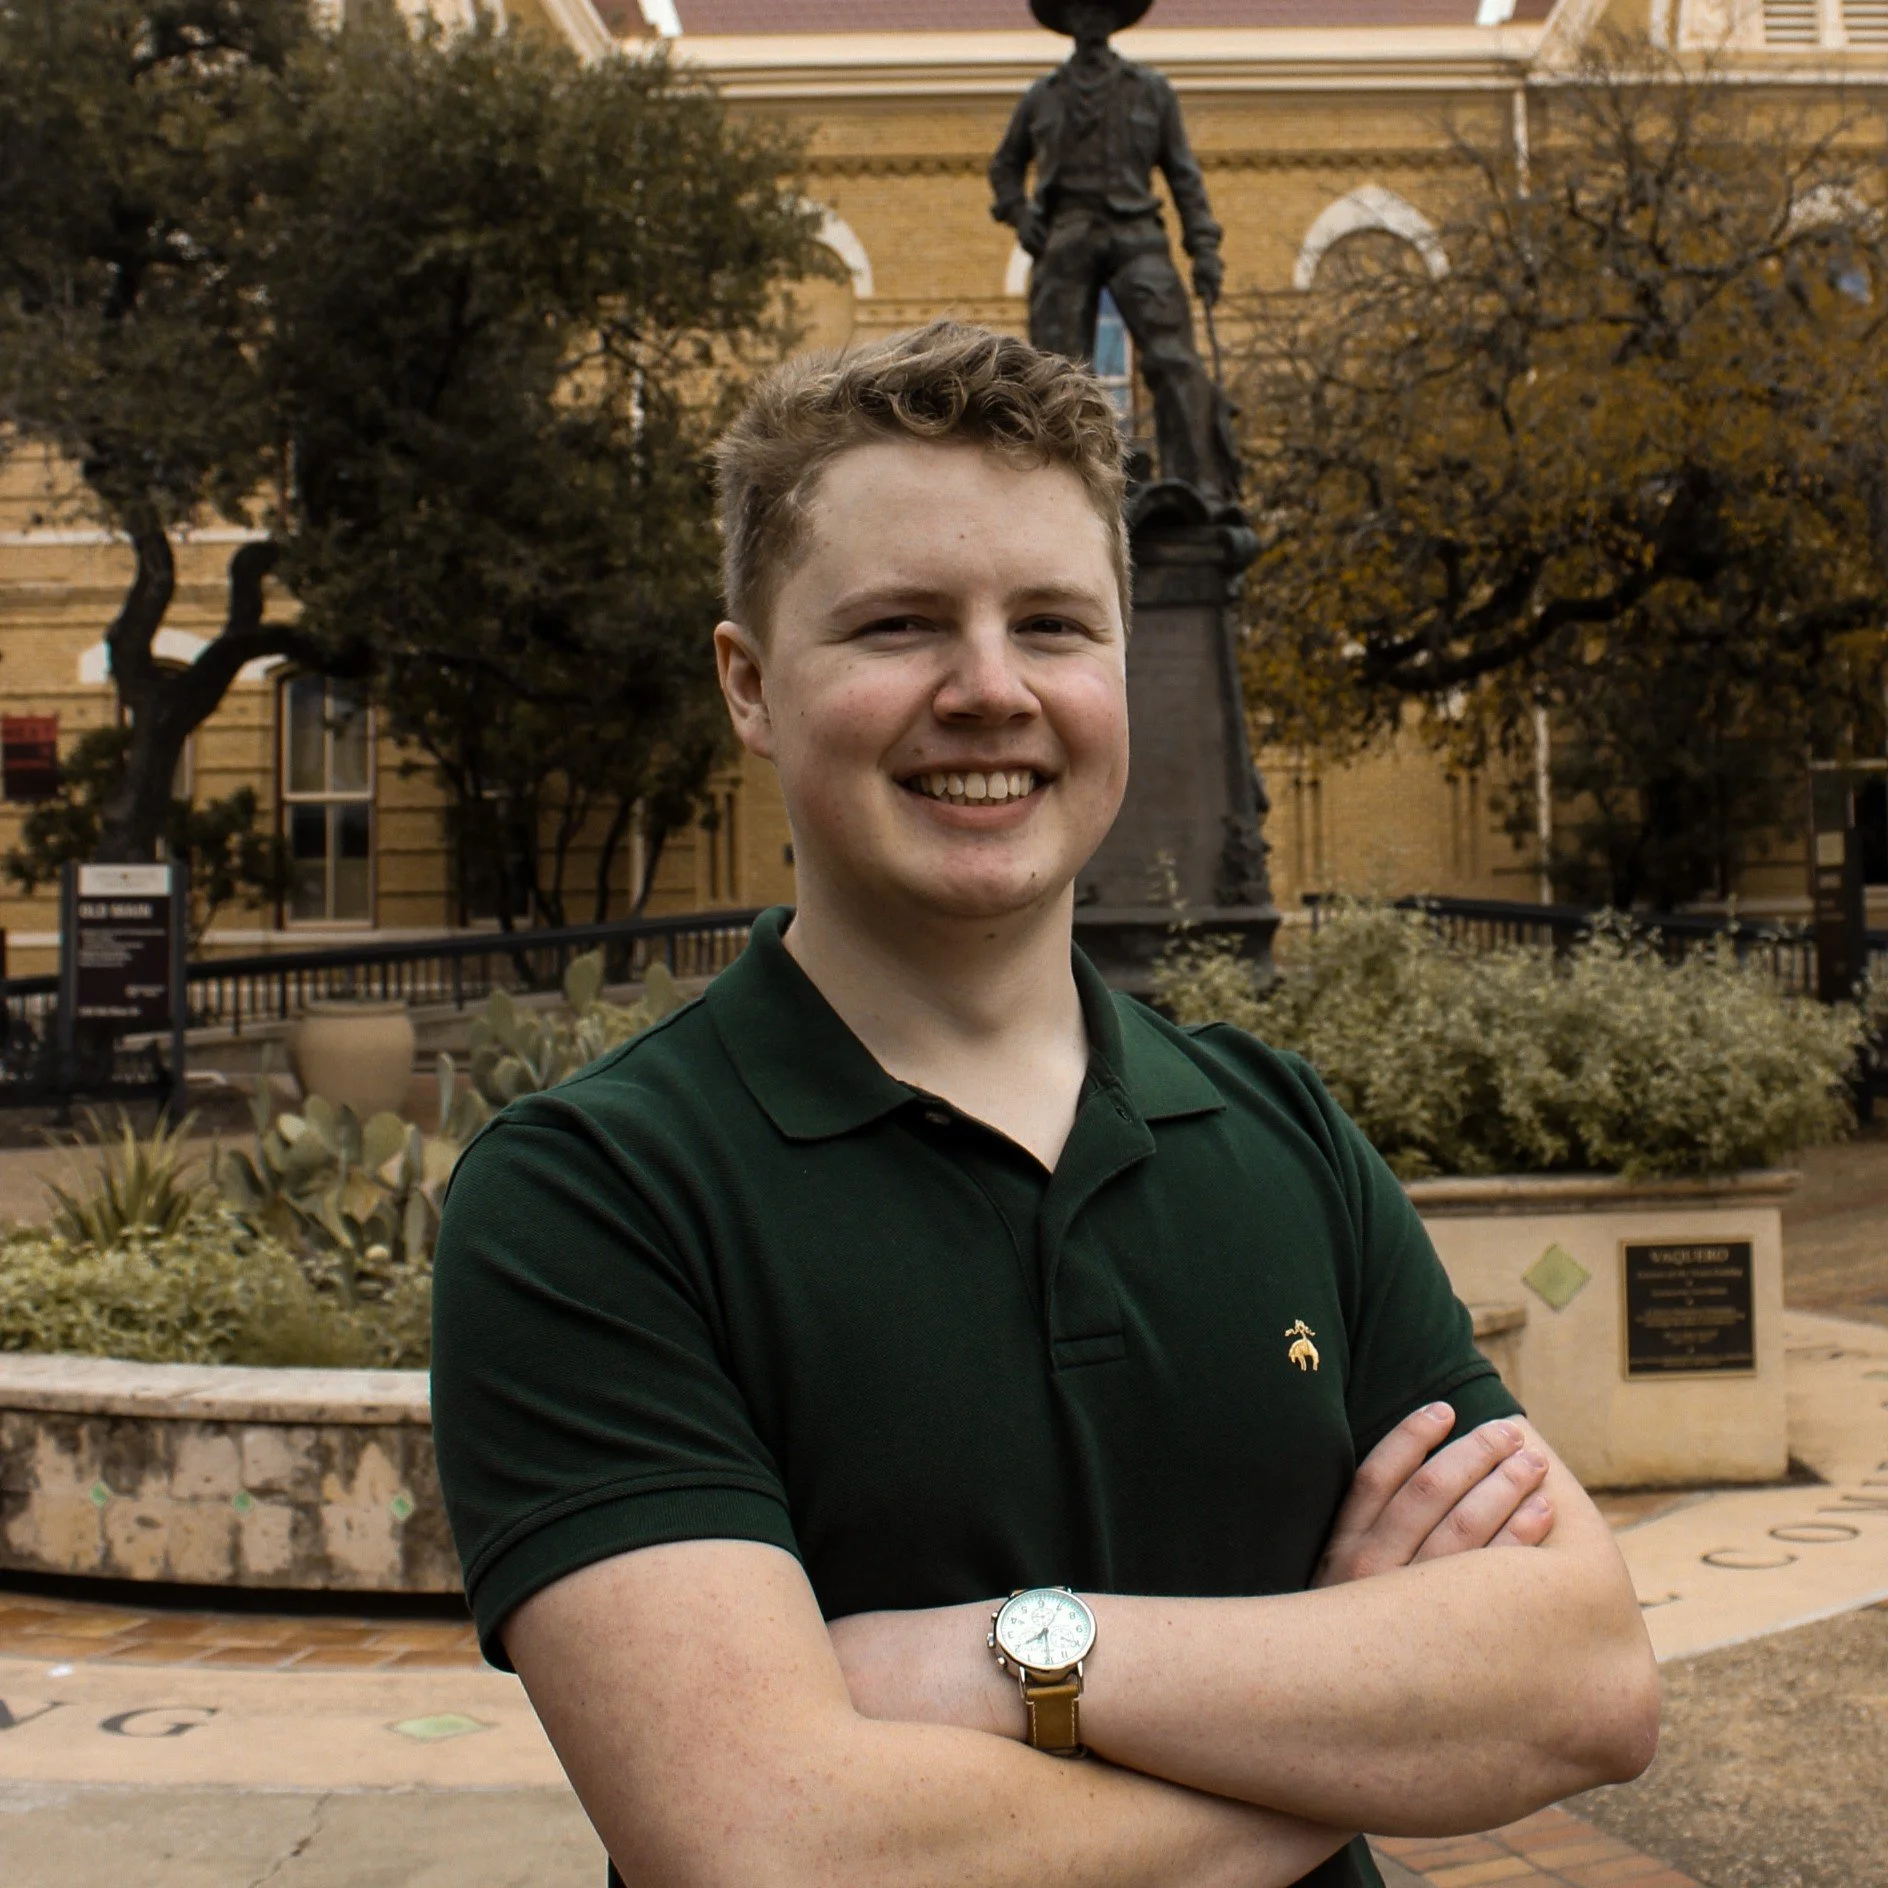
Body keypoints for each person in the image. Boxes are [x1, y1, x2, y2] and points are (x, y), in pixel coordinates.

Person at [430, 321, 1659, 1888]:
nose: (991, 690)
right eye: (898, 625)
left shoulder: (1276, 1128)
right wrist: (1356, 1735)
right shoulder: (594, 1198)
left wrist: (1003, 1659)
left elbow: (1588, 1685)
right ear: (749, 685)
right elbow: (778, 1851)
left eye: (1055, 625)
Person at [989, 0, 1239, 502]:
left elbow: (1184, 177)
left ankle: (1199, 494)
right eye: (1079, 7)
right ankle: (1062, 492)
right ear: (1068, 19)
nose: (1090, 17)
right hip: (1067, 236)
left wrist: (1204, 248)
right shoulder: (1043, 97)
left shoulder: (1151, 90)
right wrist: (1021, 215)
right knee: (1054, 374)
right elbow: (1005, 168)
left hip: (1136, 233)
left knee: (1175, 361)